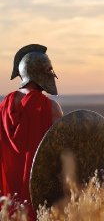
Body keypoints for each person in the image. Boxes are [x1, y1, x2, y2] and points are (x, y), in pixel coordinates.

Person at [0, 44, 63, 220]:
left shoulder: (3, 106)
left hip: (6, 192)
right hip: (37, 192)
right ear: (40, 72)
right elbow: (61, 151)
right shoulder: (50, 107)